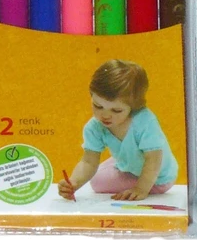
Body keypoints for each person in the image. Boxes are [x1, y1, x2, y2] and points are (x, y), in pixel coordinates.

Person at [58, 59, 178, 201]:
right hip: (132, 165)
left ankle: (128, 170)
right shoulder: (95, 126)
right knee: (95, 174)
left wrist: (140, 189)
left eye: (116, 110)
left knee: (97, 182)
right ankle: (123, 163)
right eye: (98, 106)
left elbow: (154, 159)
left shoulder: (144, 122)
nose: (105, 115)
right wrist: (74, 182)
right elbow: (88, 162)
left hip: (158, 178)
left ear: (134, 106)